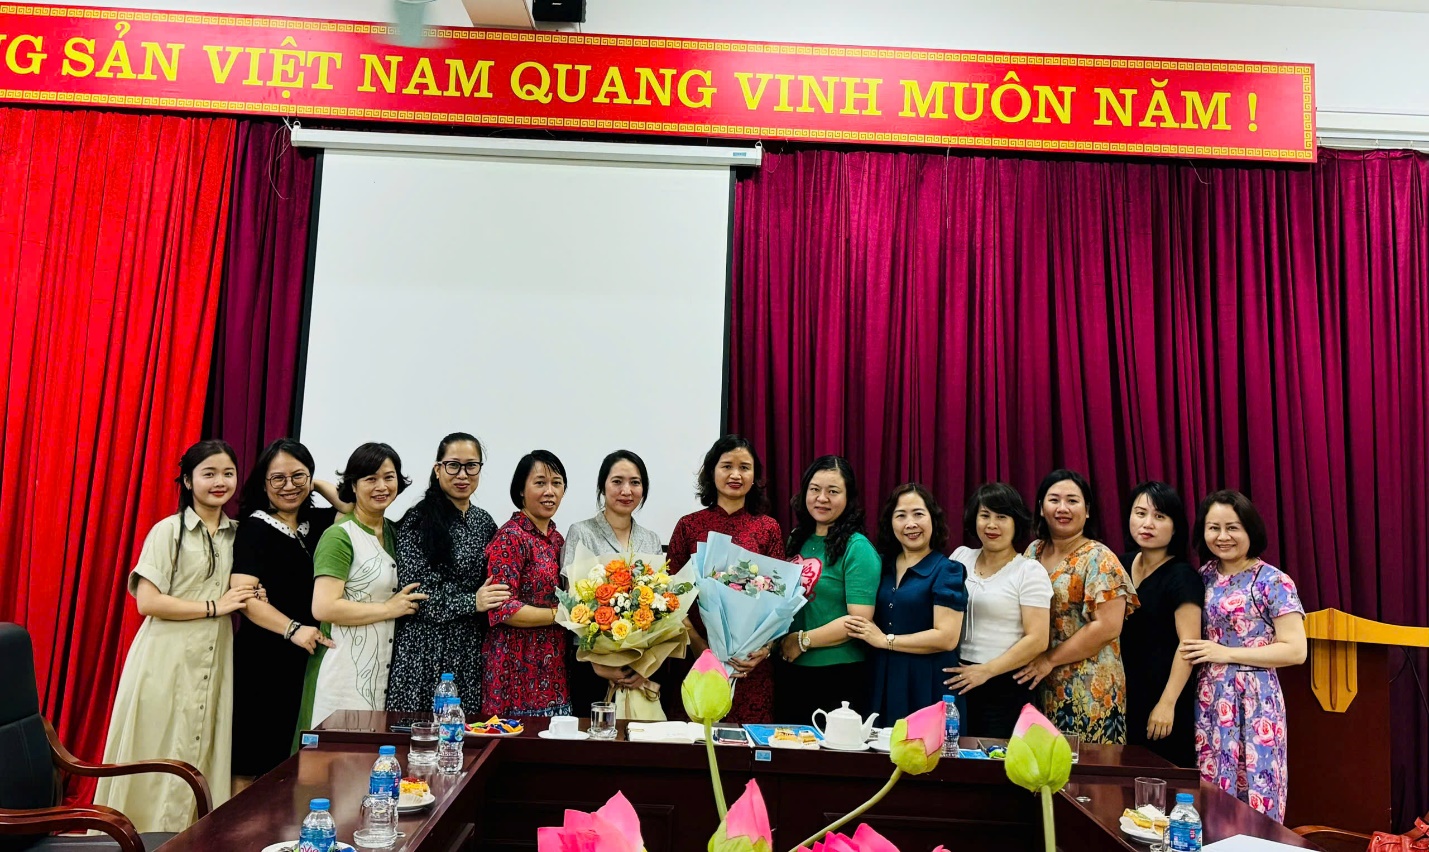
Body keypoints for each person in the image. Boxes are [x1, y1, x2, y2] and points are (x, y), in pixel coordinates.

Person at [95, 440, 253, 833]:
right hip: (165, 656)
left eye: (228, 473)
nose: (220, 482)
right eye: (209, 473)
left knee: (200, 748)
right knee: (156, 746)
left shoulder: (240, 534)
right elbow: (147, 602)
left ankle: (188, 838)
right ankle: (135, 836)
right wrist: (216, 606)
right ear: (188, 480)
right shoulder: (169, 530)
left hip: (214, 658)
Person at [230, 439, 348, 787]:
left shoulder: (322, 522)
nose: (289, 486)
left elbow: (351, 505)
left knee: (293, 756)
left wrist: (318, 483)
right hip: (263, 656)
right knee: (252, 757)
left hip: (307, 658)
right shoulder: (255, 527)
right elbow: (245, 597)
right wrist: (293, 629)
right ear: (263, 483)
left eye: (299, 476)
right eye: (277, 478)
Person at [1184, 490, 1306, 823]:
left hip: (1256, 697)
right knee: (1210, 788)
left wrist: (1225, 652)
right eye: (1213, 528)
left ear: (1250, 529)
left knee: (1256, 788)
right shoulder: (1202, 576)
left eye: (1232, 527)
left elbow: (1296, 650)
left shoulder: (1273, 581)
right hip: (1209, 697)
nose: (1222, 537)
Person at [296, 443, 425, 736]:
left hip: (382, 671)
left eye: (389, 477)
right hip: (341, 669)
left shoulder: (395, 533)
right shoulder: (339, 536)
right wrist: (388, 609)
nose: (381, 486)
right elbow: (324, 607)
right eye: (370, 479)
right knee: (331, 768)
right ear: (353, 485)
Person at [387, 432, 510, 714]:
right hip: (424, 650)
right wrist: (472, 602)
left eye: (471, 466)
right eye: (453, 465)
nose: (462, 474)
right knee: (418, 742)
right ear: (438, 469)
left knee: (463, 742)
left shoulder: (484, 521)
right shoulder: (419, 520)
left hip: (469, 648)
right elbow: (415, 594)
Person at [667, 435, 784, 723]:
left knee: (748, 751)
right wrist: (696, 643)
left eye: (744, 467)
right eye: (726, 466)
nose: (735, 474)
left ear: (755, 475)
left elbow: (779, 597)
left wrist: (764, 649)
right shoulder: (688, 525)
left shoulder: (768, 528)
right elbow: (670, 595)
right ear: (711, 472)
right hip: (698, 660)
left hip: (750, 665)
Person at [1015, 469, 1137, 744]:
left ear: (1088, 510)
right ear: (1041, 508)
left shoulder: (1100, 557)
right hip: (1038, 682)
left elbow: (1107, 627)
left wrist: (1049, 660)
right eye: (1054, 500)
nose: (1063, 508)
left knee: (1086, 778)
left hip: (1089, 689)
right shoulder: (1033, 551)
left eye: (1072, 500)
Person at [848, 483, 966, 725]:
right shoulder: (880, 566)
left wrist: (885, 640)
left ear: (933, 519)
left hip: (927, 682)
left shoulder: (947, 570)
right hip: (880, 677)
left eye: (918, 514)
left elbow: (946, 637)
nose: (910, 523)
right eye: (900, 515)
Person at [776, 455, 880, 723]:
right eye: (814, 489)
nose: (822, 498)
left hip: (837, 674)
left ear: (848, 497)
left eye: (833, 491)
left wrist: (802, 640)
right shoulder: (795, 539)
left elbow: (859, 622)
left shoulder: (857, 548)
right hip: (790, 669)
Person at [943, 482, 1051, 738]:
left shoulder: (1029, 570)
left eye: (1001, 517)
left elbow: (1037, 639)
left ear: (1016, 523)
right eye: (985, 516)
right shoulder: (960, 557)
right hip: (955, 677)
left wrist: (986, 671)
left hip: (1003, 682)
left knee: (993, 763)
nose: (992, 525)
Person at [561, 450, 666, 714]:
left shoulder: (651, 539)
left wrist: (644, 667)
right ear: (602, 486)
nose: (626, 490)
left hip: (639, 667)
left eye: (635, 482)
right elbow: (572, 602)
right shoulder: (581, 532)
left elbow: (660, 606)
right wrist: (599, 663)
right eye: (617, 481)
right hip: (590, 667)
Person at [1120, 481, 1203, 767]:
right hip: (1123, 696)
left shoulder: (1182, 576)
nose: (1148, 523)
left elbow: (1189, 645)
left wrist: (1167, 704)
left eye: (1159, 516)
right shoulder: (1119, 564)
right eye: (1140, 513)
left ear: (1175, 525)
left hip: (1164, 698)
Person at [483, 450, 571, 717]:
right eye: (540, 482)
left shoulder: (557, 539)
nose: (550, 491)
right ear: (521, 490)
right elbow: (503, 608)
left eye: (556, 483)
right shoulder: (510, 537)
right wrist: (561, 615)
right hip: (516, 666)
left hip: (554, 664)